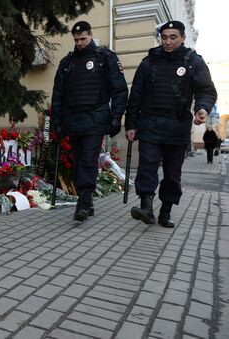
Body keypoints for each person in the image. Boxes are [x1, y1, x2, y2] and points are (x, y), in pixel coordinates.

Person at [125, 20, 217, 228]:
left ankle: (165, 211)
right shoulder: (149, 62)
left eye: (172, 37)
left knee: (172, 172)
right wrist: (131, 124)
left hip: (177, 125)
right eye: (164, 37)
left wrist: (202, 109)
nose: (167, 41)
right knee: (147, 166)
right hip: (150, 123)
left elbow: (206, 90)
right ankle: (146, 207)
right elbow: (135, 95)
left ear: (182, 38)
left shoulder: (193, 61)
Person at [51, 20, 128, 221]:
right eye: (76, 39)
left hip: (96, 118)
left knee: (87, 159)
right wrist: (56, 122)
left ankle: (83, 202)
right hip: (73, 120)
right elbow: (58, 94)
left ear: (91, 35)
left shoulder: (105, 58)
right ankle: (88, 201)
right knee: (78, 163)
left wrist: (117, 117)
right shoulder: (67, 63)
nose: (79, 43)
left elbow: (119, 90)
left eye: (83, 38)